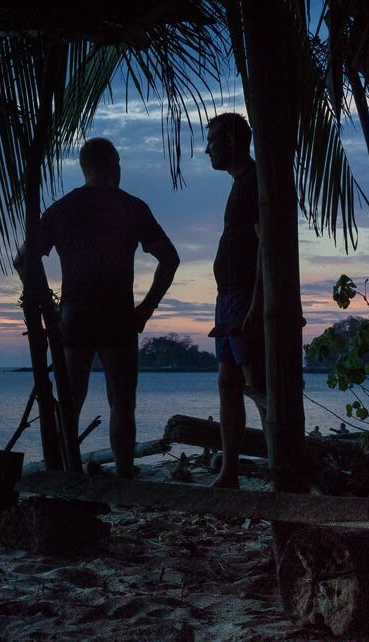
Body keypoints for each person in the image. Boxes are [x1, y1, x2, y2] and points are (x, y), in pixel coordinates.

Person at [17, 137, 179, 478]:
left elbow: (23, 260)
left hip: (73, 316)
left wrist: (45, 302)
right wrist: (145, 310)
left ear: (84, 167)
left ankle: (64, 472)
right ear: (114, 166)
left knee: (70, 404)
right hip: (117, 315)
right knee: (122, 404)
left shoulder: (61, 209)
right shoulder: (131, 207)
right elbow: (170, 258)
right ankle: (123, 475)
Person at [204, 112, 267, 489]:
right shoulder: (238, 183)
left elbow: (264, 247)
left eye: (211, 141)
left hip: (244, 297)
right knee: (227, 383)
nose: (207, 149)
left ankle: (282, 466)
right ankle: (230, 471)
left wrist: (257, 305)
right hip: (226, 298)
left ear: (229, 141)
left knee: (256, 383)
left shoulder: (255, 180)